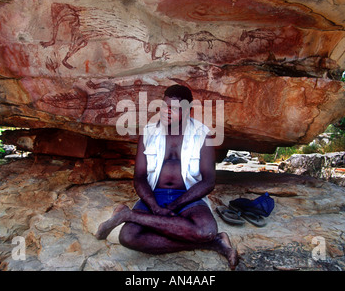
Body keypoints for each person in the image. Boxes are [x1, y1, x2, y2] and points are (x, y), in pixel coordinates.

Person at [95, 85, 238, 269]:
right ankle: (214, 243)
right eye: (164, 106)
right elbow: (139, 177)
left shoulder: (203, 135)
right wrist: (154, 206)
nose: (166, 112)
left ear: (188, 111)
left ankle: (128, 215)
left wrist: (172, 206)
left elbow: (208, 181)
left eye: (174, 109)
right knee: (128, 237)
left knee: (206, 230)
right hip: (154, 196)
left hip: (189, 198)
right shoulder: (148, 132)